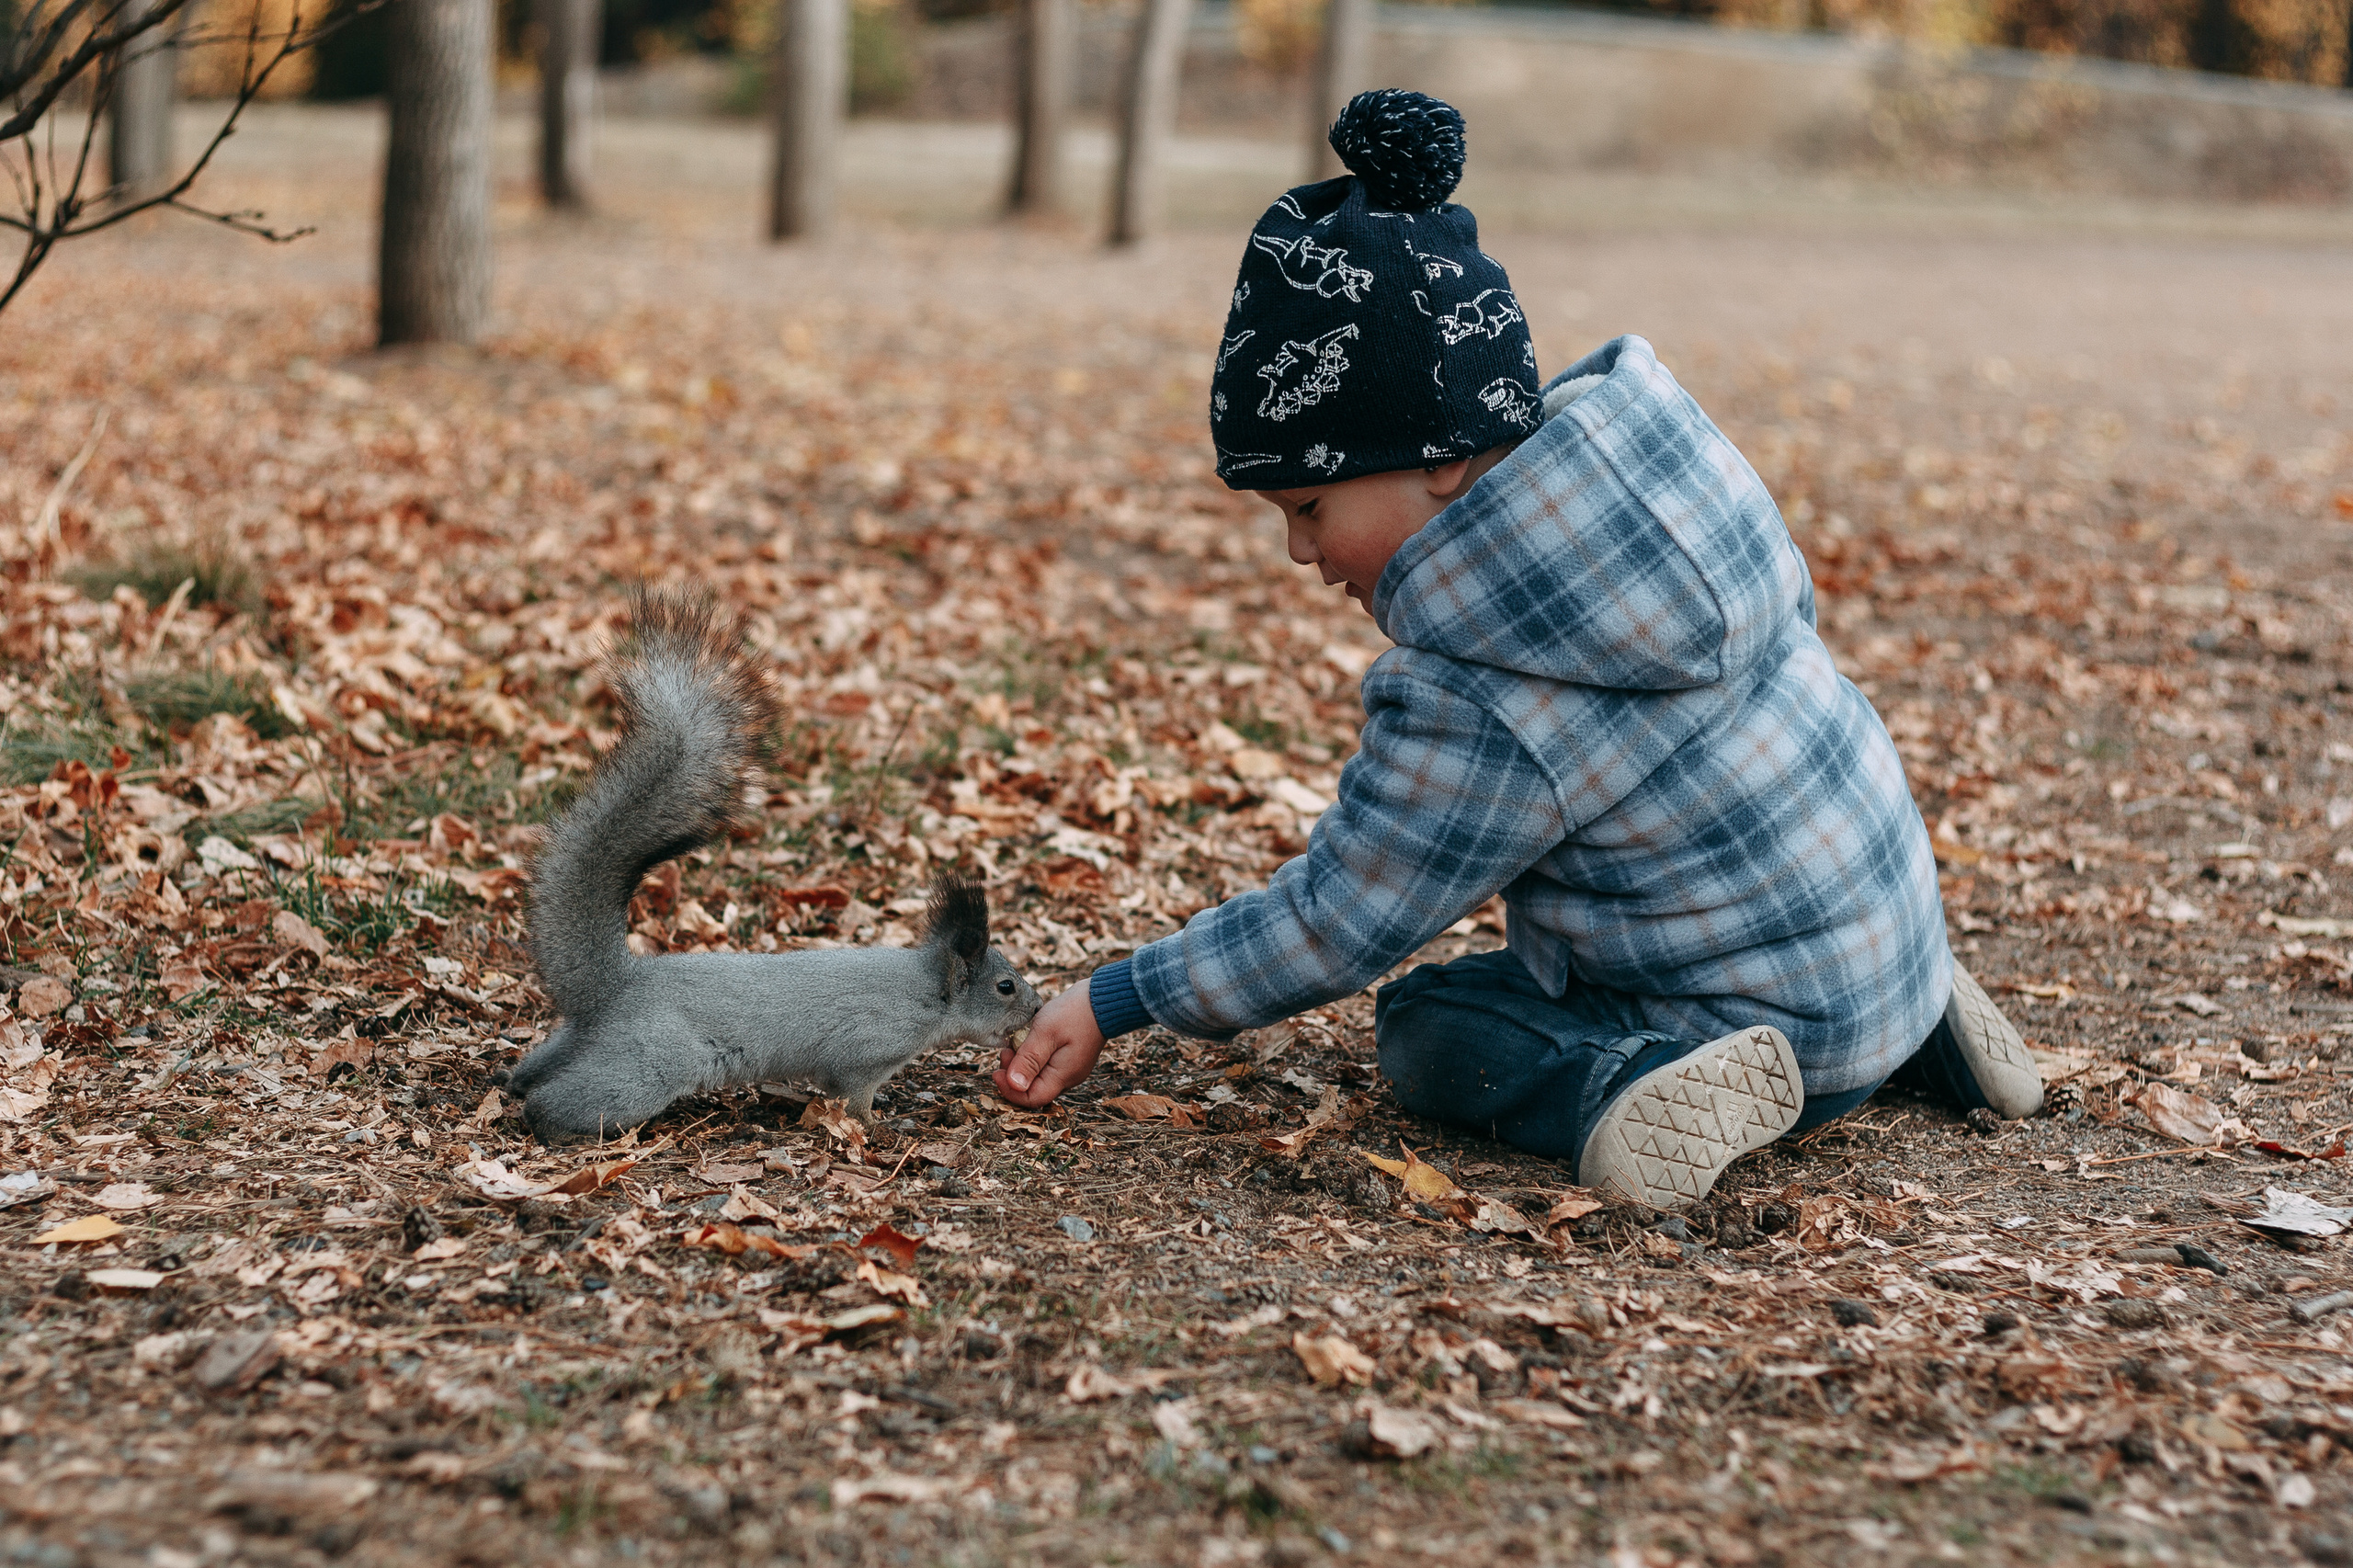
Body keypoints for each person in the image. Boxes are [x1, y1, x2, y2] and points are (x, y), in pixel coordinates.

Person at [993, 89, 2040, 1209]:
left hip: (1753, 1018)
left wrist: (1118, 996)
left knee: (1431, 1023)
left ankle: (1634, 1081)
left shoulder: (1485, 689)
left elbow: (1340, 918)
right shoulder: (1671, 497)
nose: (1302, 553)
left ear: (1437, 457)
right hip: (1872, 940)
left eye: (1308, 506)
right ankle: (1915, 1023)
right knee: (1768, 908)